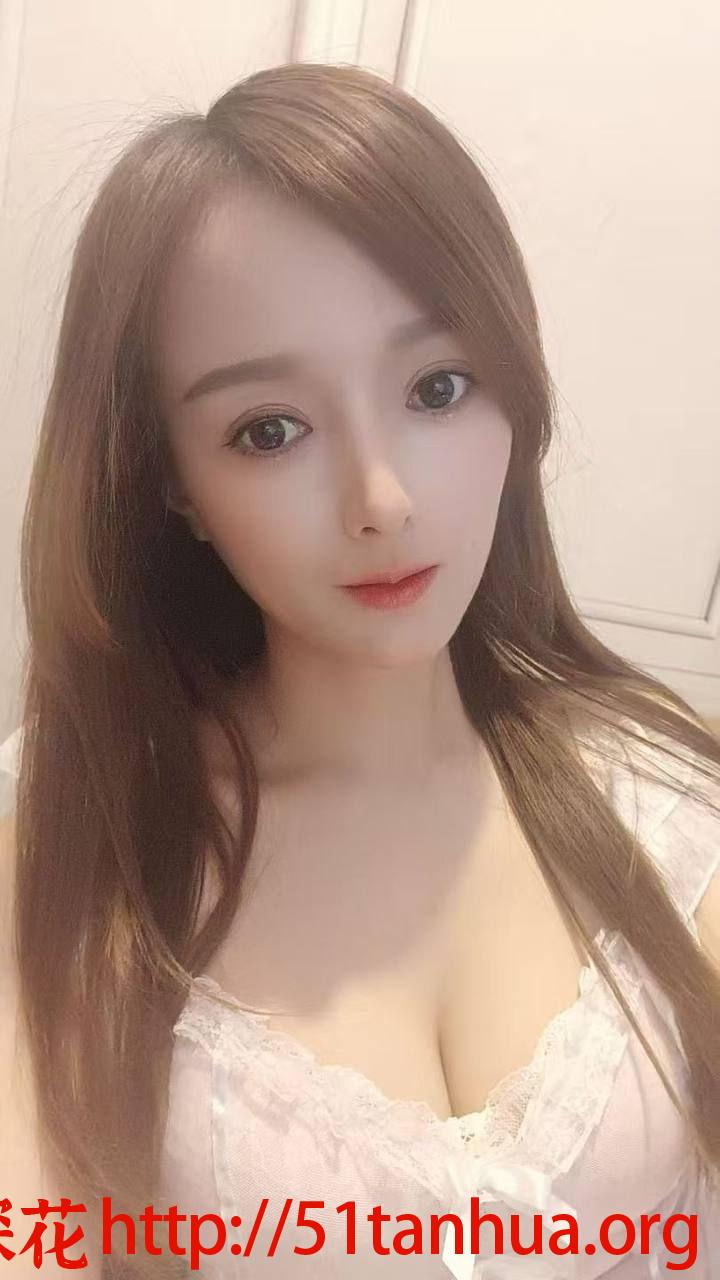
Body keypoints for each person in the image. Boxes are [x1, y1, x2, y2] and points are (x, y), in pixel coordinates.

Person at [1, 60, 719, 1279]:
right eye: (269, 428)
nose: (381, 497)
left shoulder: (658, 796)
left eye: (438, 387)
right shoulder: (74, 840)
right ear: (174, 480)